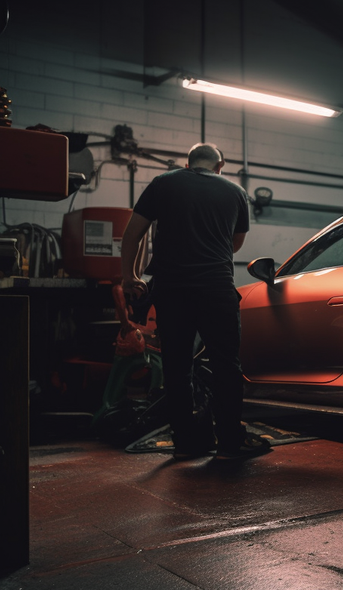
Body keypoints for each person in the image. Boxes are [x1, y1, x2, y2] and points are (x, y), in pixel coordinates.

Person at [121, 143, 270, 461]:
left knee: (177, 368)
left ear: (188, 165)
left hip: (172, 291)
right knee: (226, 366)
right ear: (221, 164)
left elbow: (132, 234)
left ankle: (186, 443)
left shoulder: (164, 182)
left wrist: (130, 276)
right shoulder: (235, 192)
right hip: (216, 290)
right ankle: (230, 442)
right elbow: (235, 244)